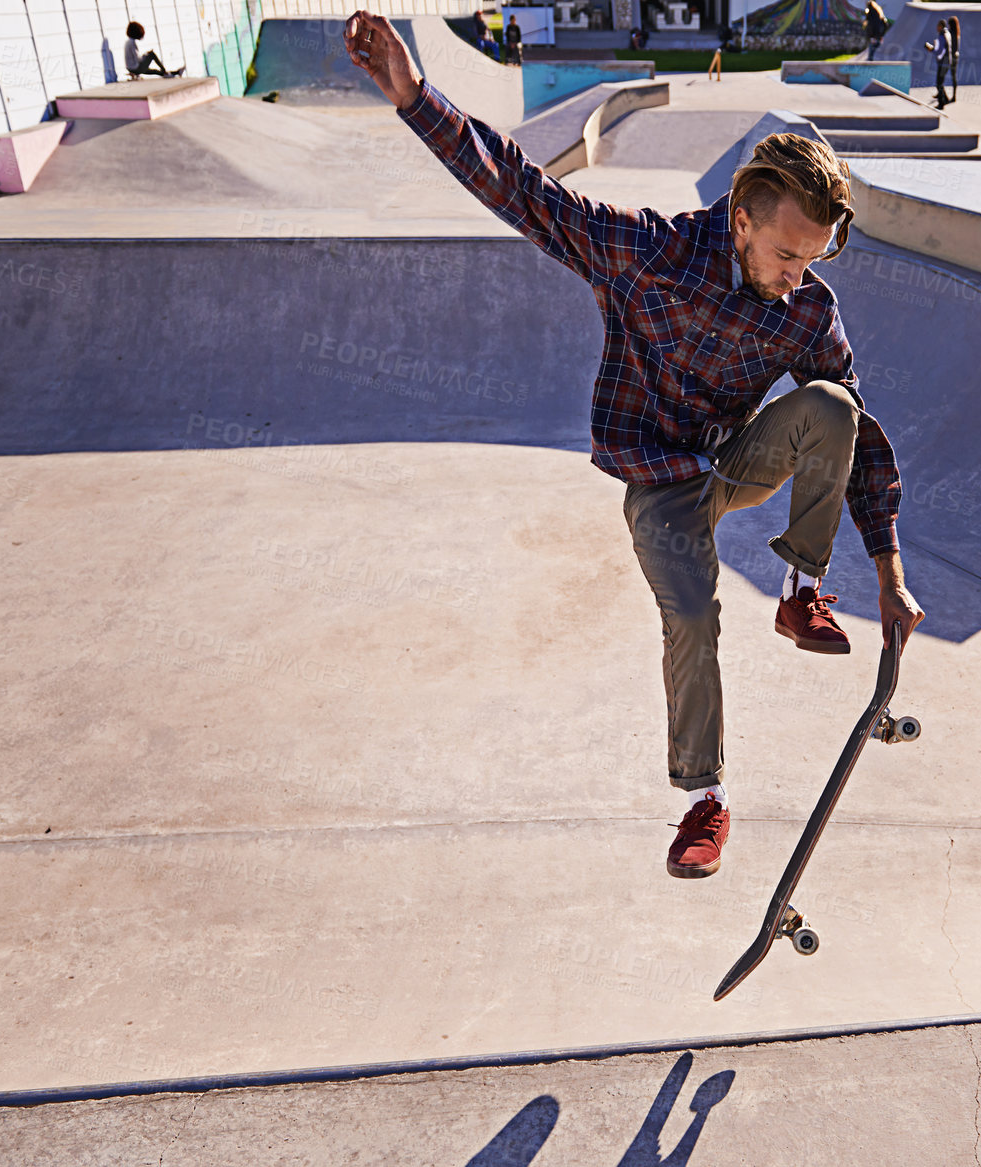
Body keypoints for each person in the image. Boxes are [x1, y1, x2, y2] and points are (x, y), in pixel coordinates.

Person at [343, 10, 926, 881]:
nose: (795, 278)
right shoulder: (645, 254)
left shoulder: (808, 309)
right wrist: (412, 96)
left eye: (810, 261)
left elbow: (860, 442)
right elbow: (521, 191)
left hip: (733, 464)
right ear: (739, 219)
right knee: (690, 618)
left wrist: (886, 573)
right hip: (659, 482)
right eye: (783, 254)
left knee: (834, 405)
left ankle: (800, 589)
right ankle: (706, 801)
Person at [924, 18, 950, 109]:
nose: (936, 28)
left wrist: (931, 49)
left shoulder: (942, 36)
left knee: (939, 83)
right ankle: (945, 98)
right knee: (940, 82)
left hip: (943, 63)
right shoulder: (947, 34)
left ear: (940, 26)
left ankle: (941, 104)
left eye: (937, 26)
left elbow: (939, 51)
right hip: (947, 61)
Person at [947, 14, 960, 102]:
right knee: (953, 76)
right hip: (956, 56)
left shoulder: (950, 33)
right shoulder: (957, 33)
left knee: (941, 75)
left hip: (950, 57)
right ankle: (954, 95)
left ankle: (941, 94)